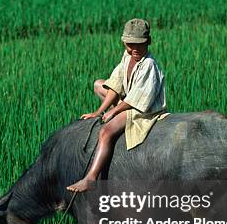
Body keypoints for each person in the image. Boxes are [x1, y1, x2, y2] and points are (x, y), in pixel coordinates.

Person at [66, 18, 168, 193]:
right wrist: (99, 111)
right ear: (124, 43)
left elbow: (137, 99)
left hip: (143, 110)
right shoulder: (127, 57)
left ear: (148, 42)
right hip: (129, 100)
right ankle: (111, 112)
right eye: (130, 44)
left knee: (105, 132)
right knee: (99, 84)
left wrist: (114, 111)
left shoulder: (149, 64)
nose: (134, 49)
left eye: (140, 45)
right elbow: (116, 84)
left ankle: (91, 178)